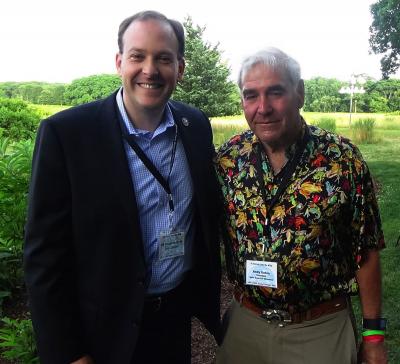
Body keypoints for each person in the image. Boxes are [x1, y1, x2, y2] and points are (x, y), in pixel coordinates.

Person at [24, 10, 221, 364]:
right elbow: (44, 258)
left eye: (164, 58)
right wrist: (69, 352)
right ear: (119, 62)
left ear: (180, 67)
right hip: (103, 331)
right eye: (137, 56)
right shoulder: (67, 135)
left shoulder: (195, 126)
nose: (150, 69)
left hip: (174, 320)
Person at [215, 47, 387, 364]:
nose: (263, 107)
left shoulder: (341, 160)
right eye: (251, 95)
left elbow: (367, 249)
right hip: (246, 326)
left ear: (300, 93)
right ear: (241, 101)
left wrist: (373, 336)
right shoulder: (228, 160)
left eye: (275, 92)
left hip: (319, 329)